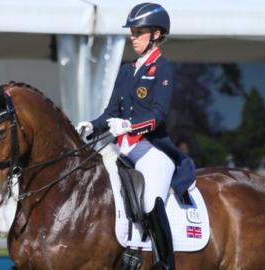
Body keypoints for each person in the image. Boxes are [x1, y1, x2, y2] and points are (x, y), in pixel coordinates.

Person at [77, 3, 195, 269]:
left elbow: (159, 114)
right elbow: (110, 112)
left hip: (152, 149)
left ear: (156, 34)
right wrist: (91, 126)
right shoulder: (127, 70)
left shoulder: (162, 68)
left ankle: (165, 262)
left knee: (150, 199)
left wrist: (129, 126)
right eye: (133, 32)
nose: (133, 37)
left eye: (139, 32)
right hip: (122, 147)